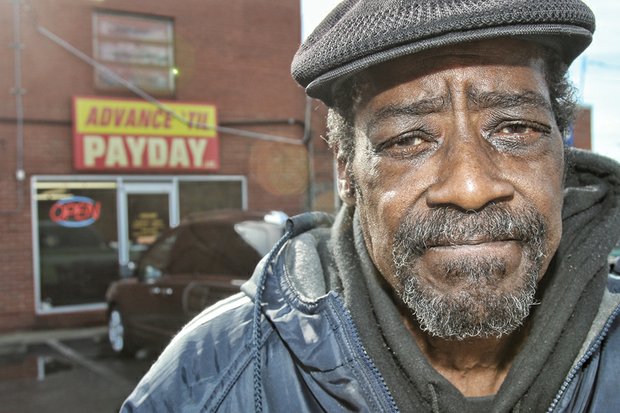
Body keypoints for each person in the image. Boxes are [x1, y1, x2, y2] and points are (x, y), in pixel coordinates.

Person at [121, 0, 620, 412]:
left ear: (561, 149)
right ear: (346, 171)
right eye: (408, 139)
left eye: (515, 128)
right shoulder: (210, 377)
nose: (470, 186)